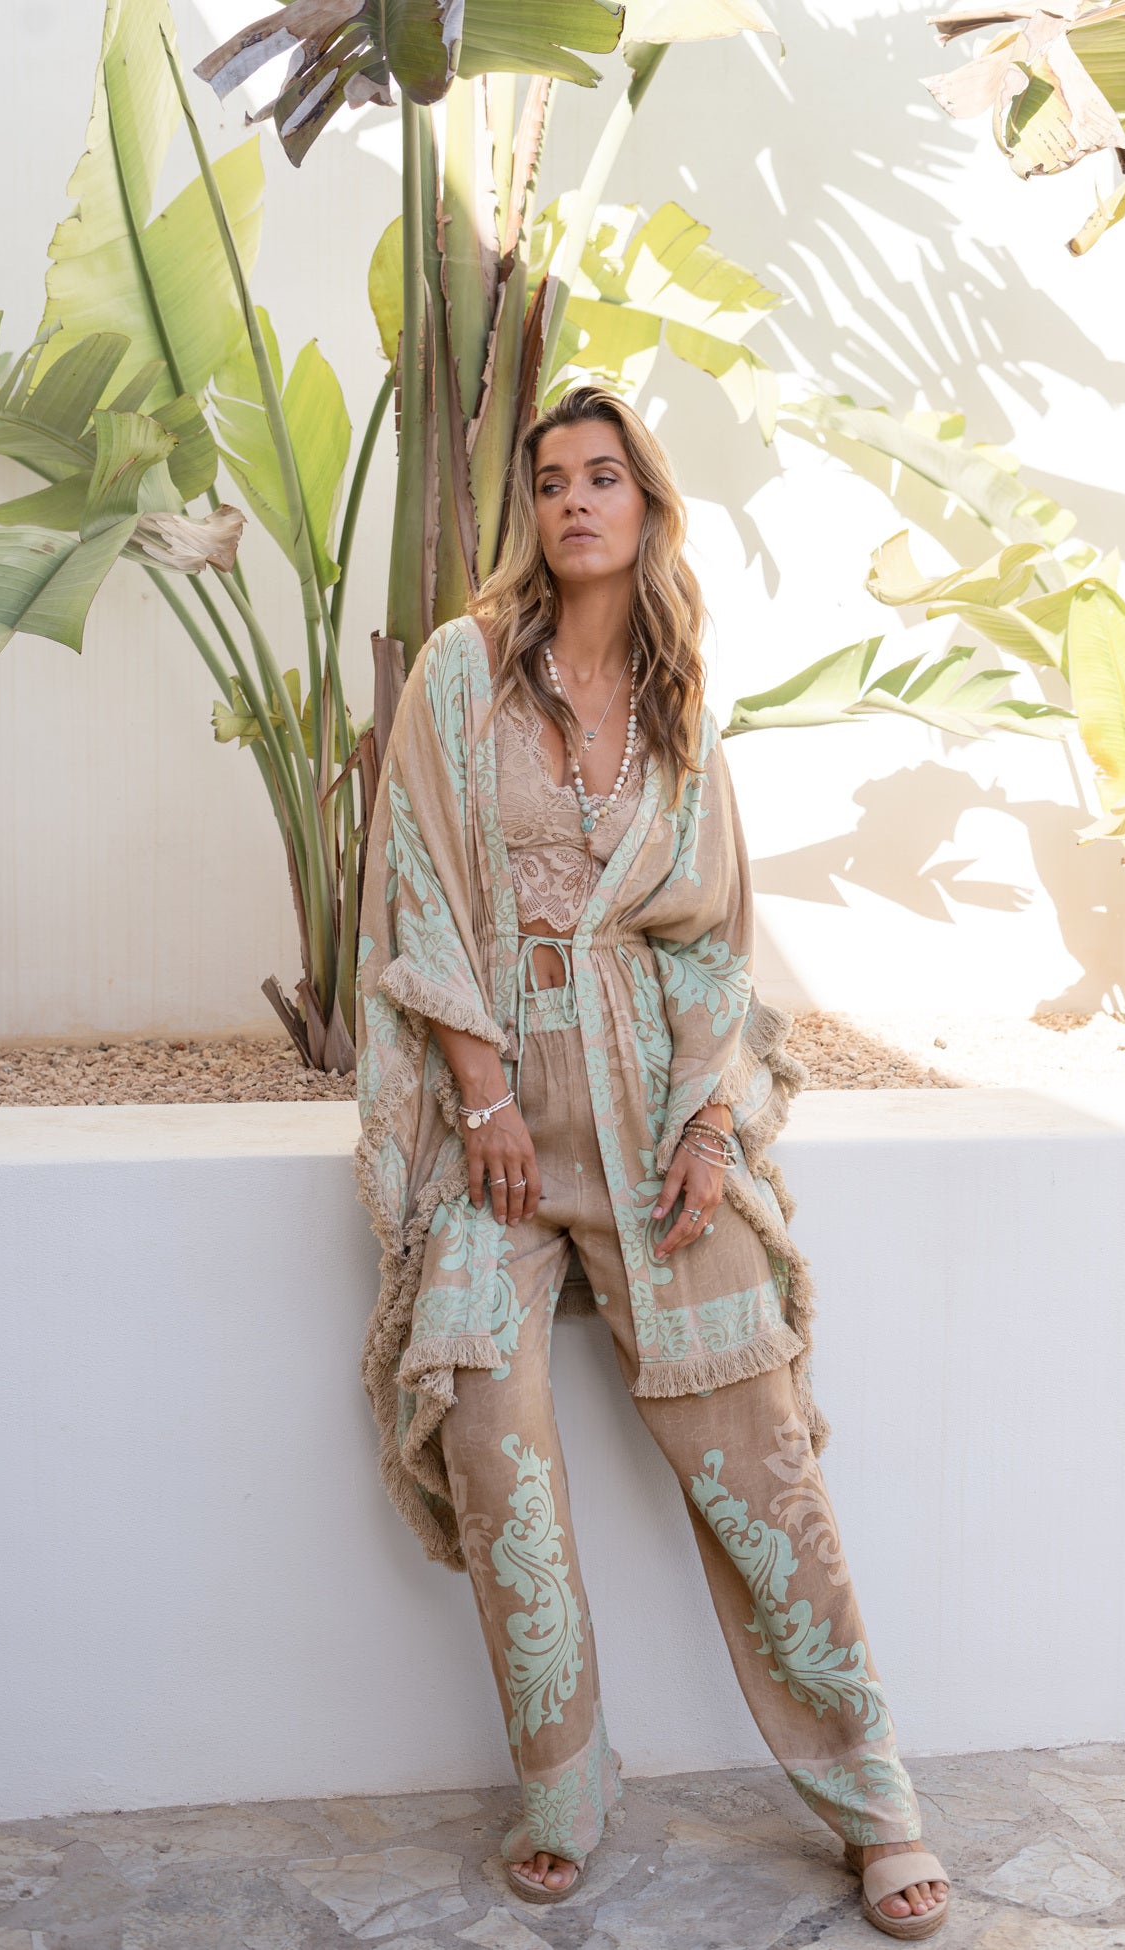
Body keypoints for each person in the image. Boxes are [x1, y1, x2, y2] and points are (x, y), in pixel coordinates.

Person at [353, 383, 951, 1939]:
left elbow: (712, 941)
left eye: (603, 475)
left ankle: (872, 1794)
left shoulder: (683, 704)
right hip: (496, 1114)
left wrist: (705, 1119)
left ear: (646, 505)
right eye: (551, 479)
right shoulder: (465, 669)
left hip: (650, 1098)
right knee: (489, 1430)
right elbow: (418, 880)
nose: (574, 499)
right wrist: (480, 1091)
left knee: (760, 1459)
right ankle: (566, 1780)